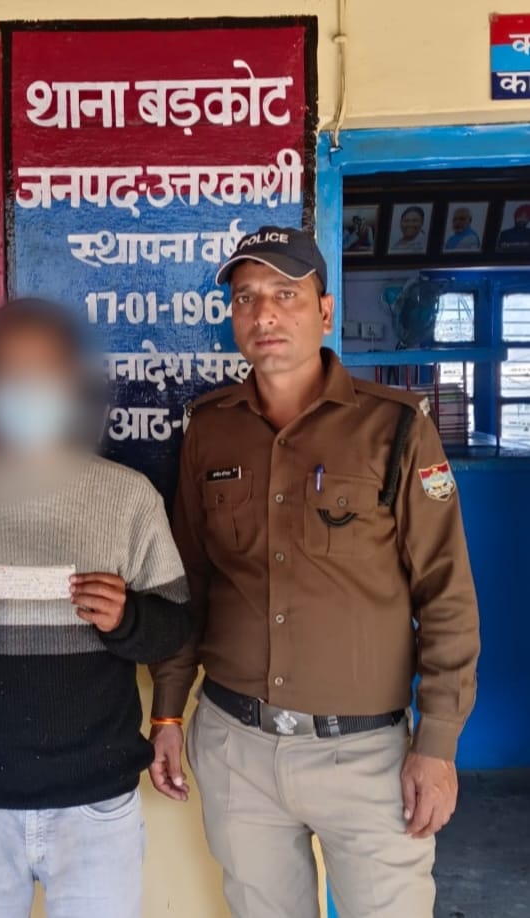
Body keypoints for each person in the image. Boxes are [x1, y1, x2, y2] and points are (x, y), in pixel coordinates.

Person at [148, 227, 480, 918]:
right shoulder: (209, 428)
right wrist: (169, 710)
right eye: (246, 298)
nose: (264, 313)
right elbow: (189, 583)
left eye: (285, 294)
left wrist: (438, 743)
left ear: (324, 311)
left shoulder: (394, 427)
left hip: (365, 758)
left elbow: (445, 593)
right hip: (235, 747)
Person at [0, 300, 193, 918]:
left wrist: (126, 618)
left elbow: (174, 628)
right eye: (8, 373)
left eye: (43, 372)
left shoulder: (129, 497)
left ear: (72, 382)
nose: (26, 389)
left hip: (96, 802)